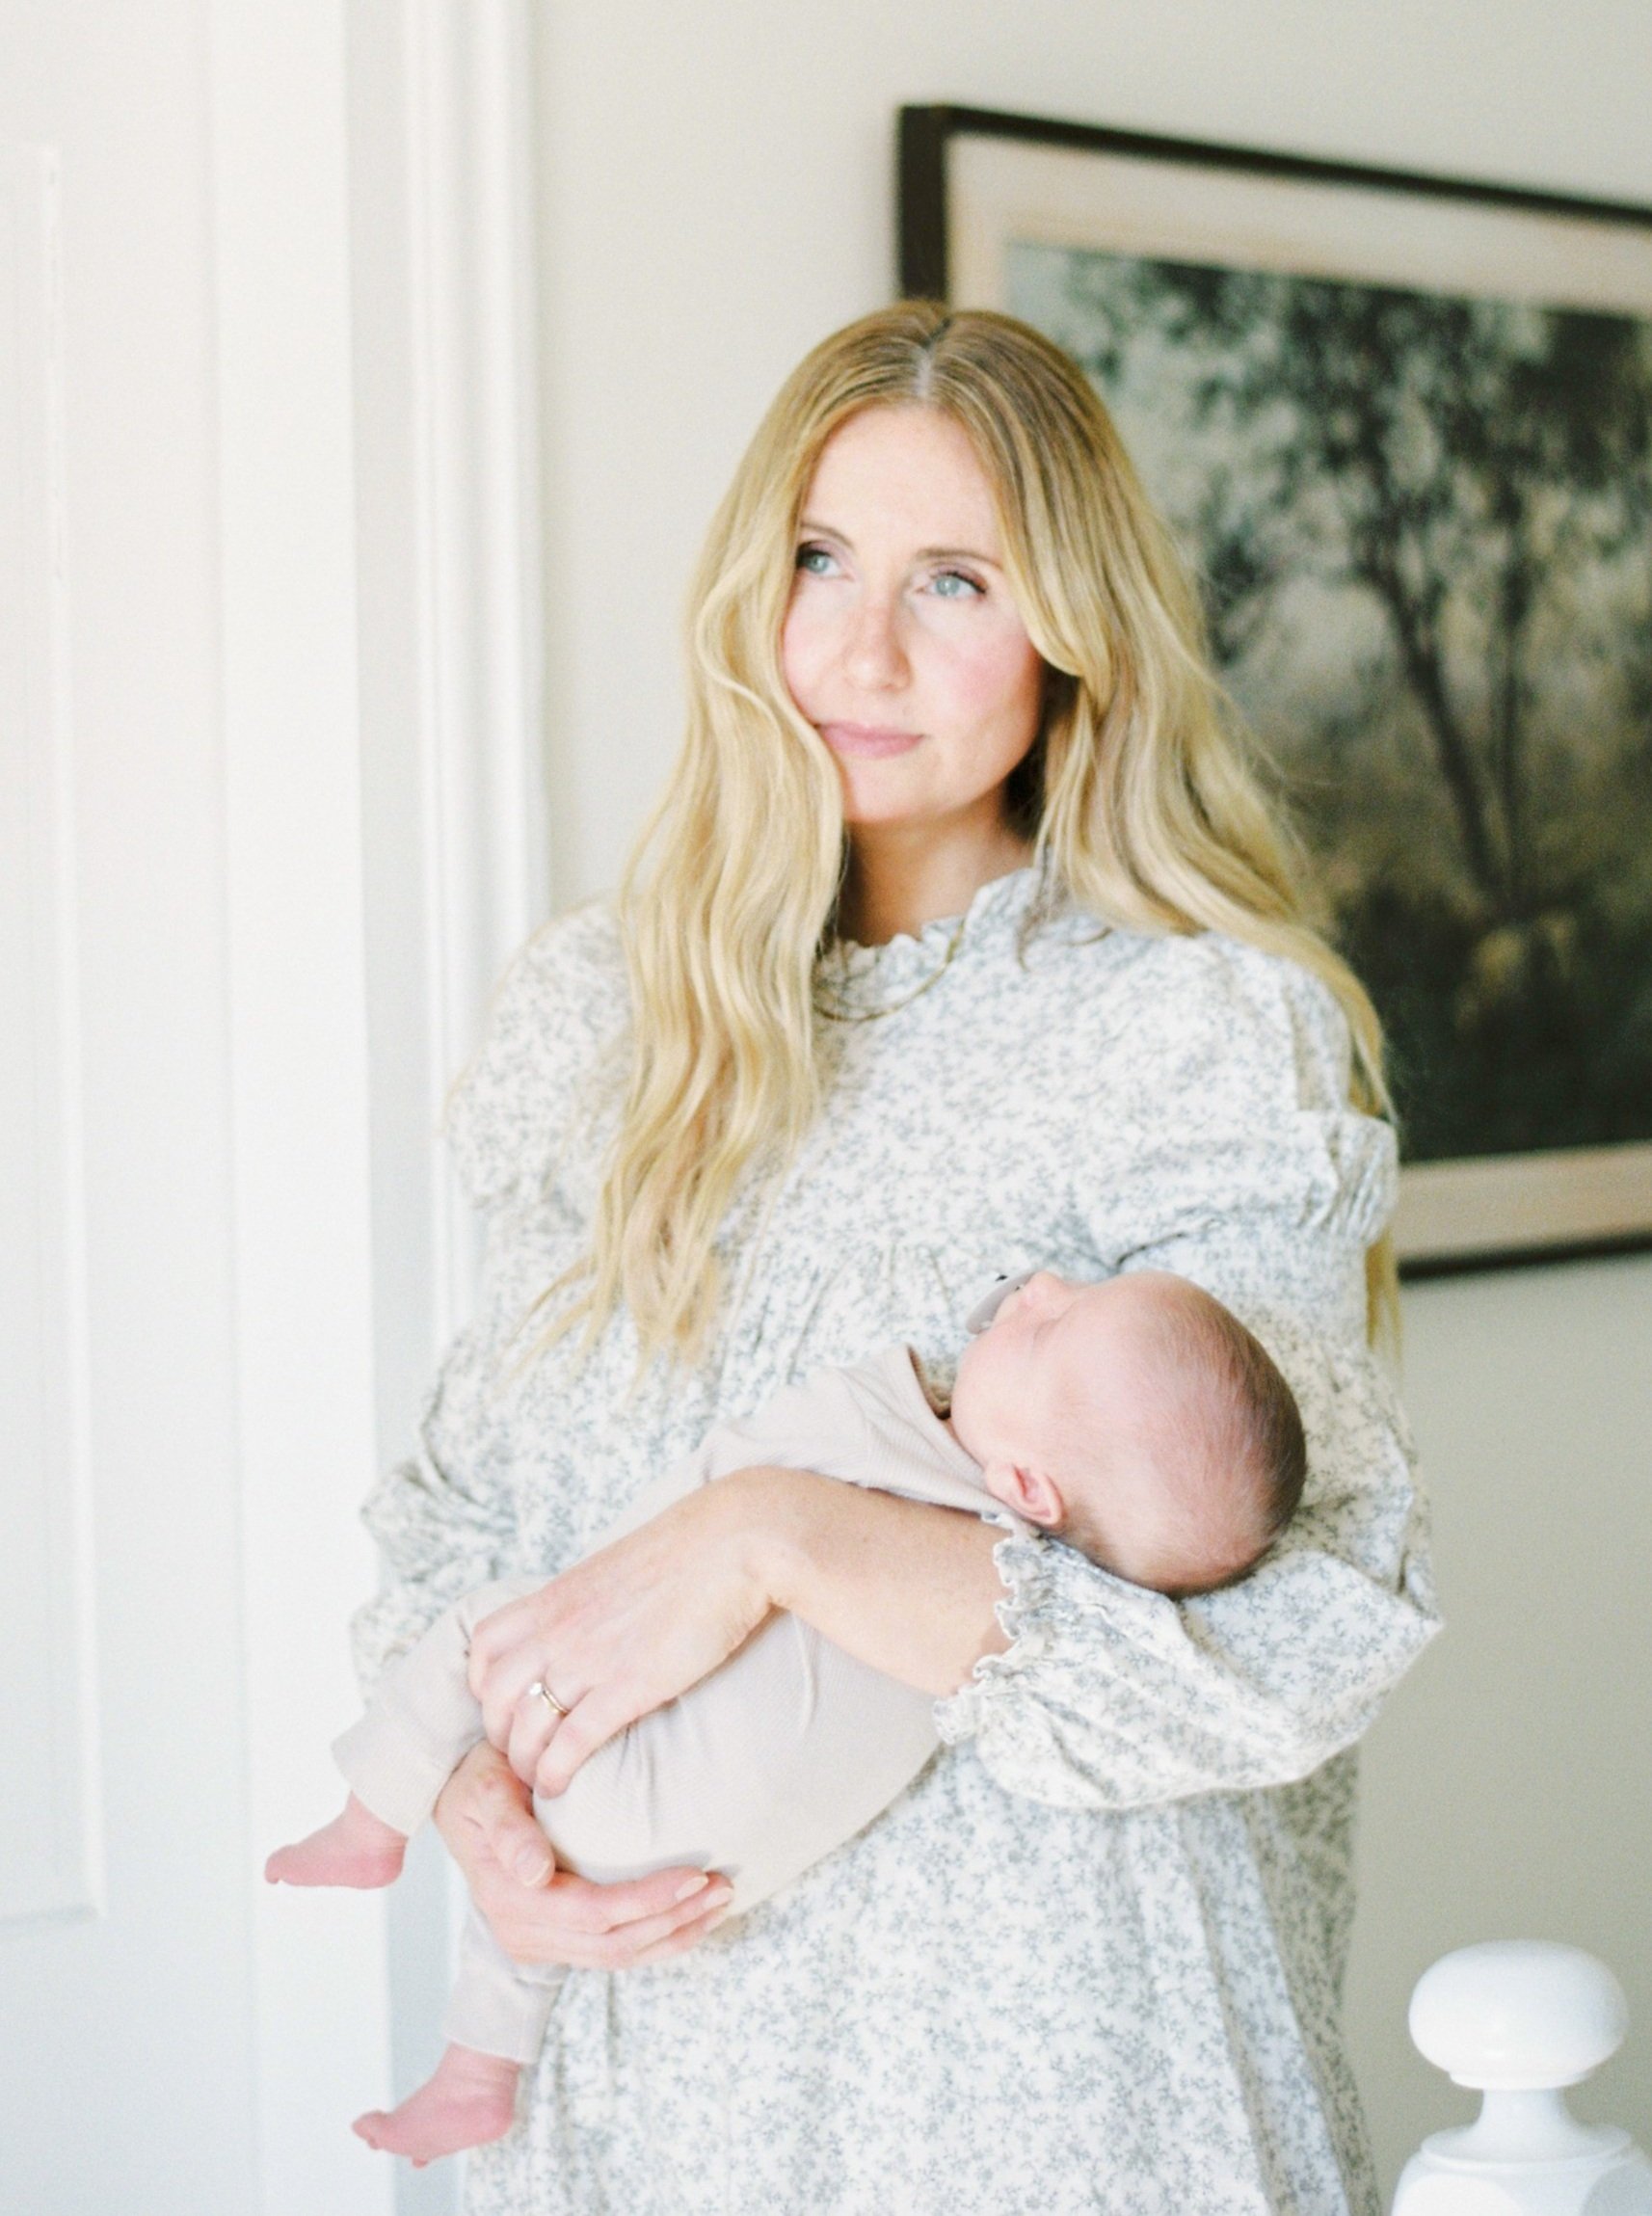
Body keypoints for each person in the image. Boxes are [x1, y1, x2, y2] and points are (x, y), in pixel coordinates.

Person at [352, 303, 1438, 2215]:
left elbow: (1273, 1650)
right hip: (658, 2091)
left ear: (1071, 631)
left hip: (1045, 2096)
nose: (858, 652)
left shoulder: (1191, 1034)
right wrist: (476, 1797)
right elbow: (465, 1517)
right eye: (817, 560)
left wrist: (769, 1532)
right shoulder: (600, 1014)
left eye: (952, 581)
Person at [275, 1267, 1306, 2165]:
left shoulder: (892, 1440)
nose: (1037, 1286)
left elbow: (734, 1479)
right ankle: (477, 2071)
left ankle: (370, 1815)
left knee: (480, 1630)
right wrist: (481, 1783)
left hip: (615, 1804)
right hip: (686, 1875)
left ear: (1029, 1487)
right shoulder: (1001, 1607)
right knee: (533, 1877)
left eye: (1047, 1326)